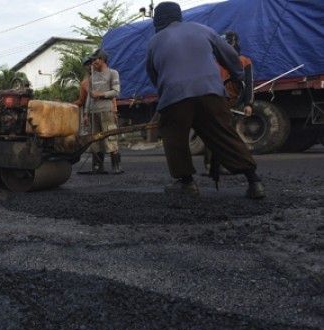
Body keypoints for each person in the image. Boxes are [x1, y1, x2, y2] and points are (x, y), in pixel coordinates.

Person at [146, 2, 265, 199]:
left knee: (175, 137)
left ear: (158, 20)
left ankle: (187, 184)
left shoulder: (154, 41)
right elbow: (230, 56)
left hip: (175, 96)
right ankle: (254, 181)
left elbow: (153, 73)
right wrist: (236, 76)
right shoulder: (203, 30)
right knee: (224, 134)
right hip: (211, 92)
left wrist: (165, 93)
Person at [204, 31, 255, 176]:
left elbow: (249, 83)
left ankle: (222, 166)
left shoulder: (244, 61)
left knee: (226, 135)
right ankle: (211, 166)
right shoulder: (214, 63)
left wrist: (248, 104)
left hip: (233, 103)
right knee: (213, 134)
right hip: (216, 102)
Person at [79, 49, 123, 175]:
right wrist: (86, 113)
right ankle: (98, 167)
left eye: (95, 60)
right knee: (95, 140)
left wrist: (102, 94)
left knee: (111, 137)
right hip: (94, 113)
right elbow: (89, 97)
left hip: (106, 111)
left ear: (102, 59)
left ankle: (116, 166)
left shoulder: (113, 73)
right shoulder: (92, 77)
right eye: (92, 60)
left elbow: (116, 91)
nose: (93, 62)